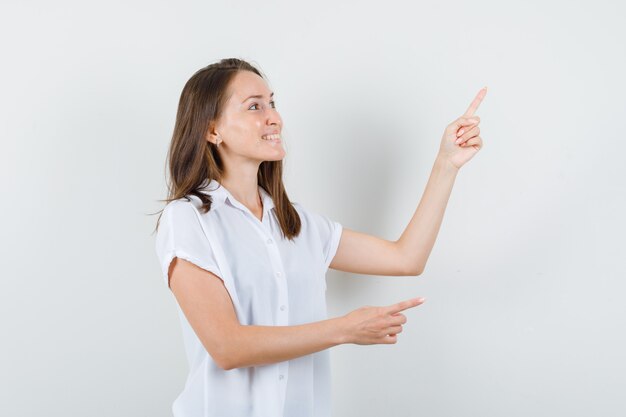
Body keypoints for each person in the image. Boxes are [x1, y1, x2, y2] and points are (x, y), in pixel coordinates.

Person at [154, 57, 486, 417]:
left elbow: (406, 258)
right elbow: (227, 346)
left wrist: (445, 164)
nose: (274, 117)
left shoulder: (298, 225)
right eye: (254, 106)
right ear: (211, 130)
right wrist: (344, 329)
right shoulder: (188, 218)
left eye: (273, 104)